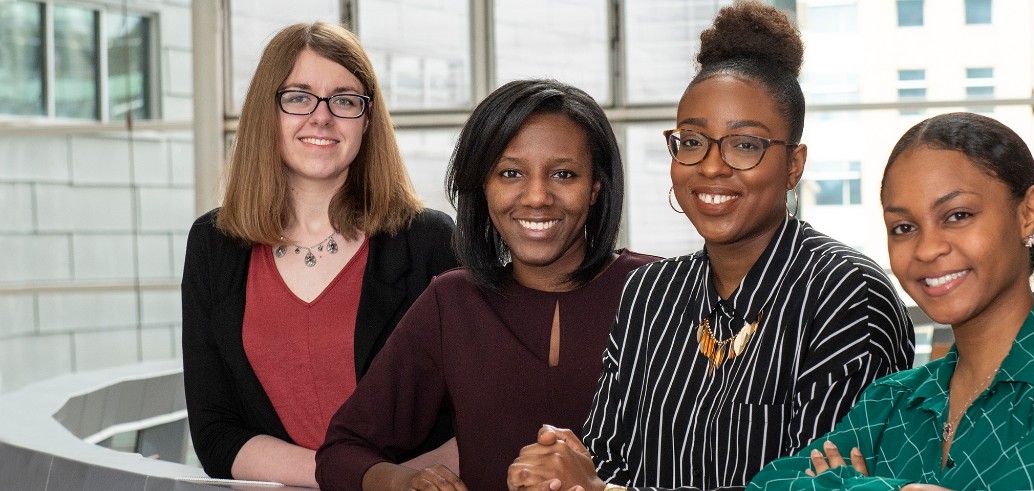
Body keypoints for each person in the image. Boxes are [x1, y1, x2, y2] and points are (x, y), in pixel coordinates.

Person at [507, 3, 914, 490]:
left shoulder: (846, 294)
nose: (712, 167)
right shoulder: (649, 293)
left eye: (745, 145)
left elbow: (821, 485)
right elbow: (604, 461)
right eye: (693, 141)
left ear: (793, 165)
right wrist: (563, 473)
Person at [748, 112, 1034, 490]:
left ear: (1027, 212)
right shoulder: (891, 400)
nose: (927, 250)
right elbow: (765, 486)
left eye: (958, 216)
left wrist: (848, 486)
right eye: (904, 227)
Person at [315, 79, 660, 491]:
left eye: (563, 174)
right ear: (484, 186)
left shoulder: (658, 292)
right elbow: (341, 452)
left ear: (594, 190)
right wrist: (405, 483)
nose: (536, 196)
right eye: (510, 173)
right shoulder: (452, 304)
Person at [181, 22, 457, 488]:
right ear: (266, 113)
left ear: (367, 120)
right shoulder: (214, 244)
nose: (321, 117)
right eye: (298, 97)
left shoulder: (429, 240)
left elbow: (479, 411)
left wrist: (402, 484)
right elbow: (216, 433)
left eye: (345, 100)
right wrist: (359, 478)